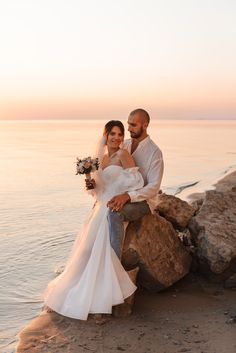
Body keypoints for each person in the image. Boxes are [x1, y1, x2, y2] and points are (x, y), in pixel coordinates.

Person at [43, 120, 144, 320]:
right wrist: (91, 185)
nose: (116, 137)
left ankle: (102, 300)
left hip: (112, 206)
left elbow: (136, 182)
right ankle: (74, 293)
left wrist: (121, 195)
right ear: (105, 135)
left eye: (119, 134)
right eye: (112, 134)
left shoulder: (123, 155)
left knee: (101, 252)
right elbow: (99, 191)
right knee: (86, 252)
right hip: (99, 207)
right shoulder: (102, 159)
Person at [107, 108, 164, 259]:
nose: (128, 128)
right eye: (128, 124)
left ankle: (114, 264)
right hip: (121, 195)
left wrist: (128, 196)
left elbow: (154, 187)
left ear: (145, 125)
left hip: (144, 202)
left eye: (133, 125)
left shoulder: (154, 153)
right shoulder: (123, 145)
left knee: (114, 214)